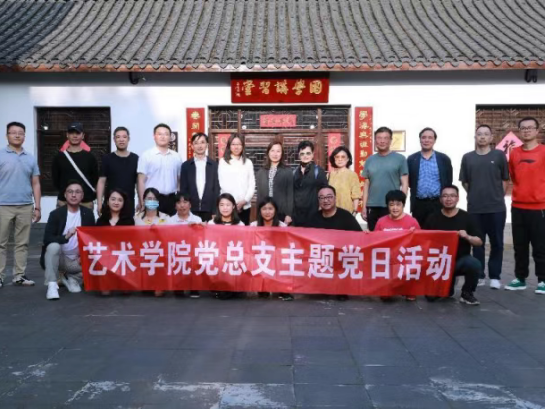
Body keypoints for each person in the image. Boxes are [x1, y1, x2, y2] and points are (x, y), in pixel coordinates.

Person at [460, 125, 509, 290]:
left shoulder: (499, 155)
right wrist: (474, 194)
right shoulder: (468, 157)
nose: (482, 137)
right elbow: (465, 182)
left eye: (486, 134)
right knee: (477, 243)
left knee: (497, 243)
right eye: (479, 134)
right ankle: (479, 274)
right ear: (475, 137)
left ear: (491, 137)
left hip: (496, 208)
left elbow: (505, 179)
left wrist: (497, 196)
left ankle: (495, 276)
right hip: (475, 208)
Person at [505, 117, 545, 294]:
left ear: (537, 130)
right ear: (519, 131)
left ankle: (542, 280)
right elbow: (514, 177)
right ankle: (520, 278)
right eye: (523, 128)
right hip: (518, 207)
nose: (527, 130)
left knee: (540, 246)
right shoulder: (514, 153)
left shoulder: (543, 151)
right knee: (519, 246)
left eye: (530, 128)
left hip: (540, 207)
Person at [424, 185, 483, 305]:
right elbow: (423, 240)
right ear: (440, 199)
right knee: (431, 297)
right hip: (439, 263)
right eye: (445, 196)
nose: (448, 199)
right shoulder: (432, 218)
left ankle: (467, 293)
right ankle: (448, 286)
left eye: (452, 196)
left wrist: (467, 236)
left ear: (457, 198)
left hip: (459, 261)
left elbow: (479, 241)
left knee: (474, 264)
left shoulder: (466, 217)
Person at [0, 122, 41, 288]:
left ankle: (19, 275)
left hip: (25, 205)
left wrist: (37, 206)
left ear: (24, 136)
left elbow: (36, 183)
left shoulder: (30, 158)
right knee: (1, 243)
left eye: (20, 133)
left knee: (22, 243)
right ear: (7, 135)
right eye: (13, 132)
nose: (17, 135)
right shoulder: (1, 155)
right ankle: (0, 276)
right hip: (3, 205)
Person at [306, 185, 362, 301]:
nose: (326, 200)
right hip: (322, 259)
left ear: (335, 198)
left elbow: (359, 237)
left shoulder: (346, 216)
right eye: (322, 198)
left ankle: (341, 289)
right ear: (318, 201)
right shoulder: (313, 218)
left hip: (341, 259)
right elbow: (304, 240)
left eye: (329, 197)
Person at [41, 181, 96, 300]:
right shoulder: (56, 214)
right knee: (53, 246)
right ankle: (52, 285)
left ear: (82, 196)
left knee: (98, 268)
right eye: (70, 192)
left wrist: (84, 256)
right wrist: (65, 237)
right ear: (65, 195)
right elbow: (47, 239)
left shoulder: (88, 214)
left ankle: (70, 277)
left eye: (77, 192)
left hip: (78, 260)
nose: (74, 195)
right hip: (60, 258)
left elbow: (92, 239)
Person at [374, 190, 420, 301]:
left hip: (405, 260)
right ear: (387, 206)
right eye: (391, 205)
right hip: (388, 260)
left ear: (403, 205)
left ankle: (409, 288)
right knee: (385, 297)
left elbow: (420, 243)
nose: (395, 208)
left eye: (398, 204)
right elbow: (374, 241)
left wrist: (414, 235)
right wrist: (367, 235)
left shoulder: (412, 222)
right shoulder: (381, 222)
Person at [362, 127, 408, 231]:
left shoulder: (400, 159)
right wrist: (364, 206)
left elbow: (405, 184)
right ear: (375, 141)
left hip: (391, 205)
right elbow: (366, 185)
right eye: (379, 138)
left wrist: (401, 204)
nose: (382, 141)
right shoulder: (370, 160)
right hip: (372, 205)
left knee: (391, 237)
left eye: (385, 138)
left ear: (391, 140)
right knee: (373, 237)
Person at [407, 127, 453, 227]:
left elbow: (448, 181)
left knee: (438, 232)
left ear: (434, 140)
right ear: (420, 140)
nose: (426, 140)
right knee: (420, 233)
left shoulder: (444, 159)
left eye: (430, 137)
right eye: (423, 137)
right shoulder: (411, 159)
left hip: (438, 203)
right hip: (419, 204)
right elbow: (410, 182)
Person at [137, 123, 182, 216]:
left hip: (172, 199)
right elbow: (141, 181)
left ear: (170, 137)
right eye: (159, 134)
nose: (163, 137)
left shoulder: (176, 157)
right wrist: (142, 201)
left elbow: (179, 181)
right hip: (152, 199)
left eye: (166, 134)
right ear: (154, 136)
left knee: (171, 223)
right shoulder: (146, 155)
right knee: (153, 223)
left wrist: (180, 200)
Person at [250, 197, 290, 300]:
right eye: (264, 209)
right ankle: (262, 286)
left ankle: (282, 288)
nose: (267, 212)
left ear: (275, 210)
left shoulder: (282, 226)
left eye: (270, 208)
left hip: (277, 258)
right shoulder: (253, 226)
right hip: (260, 258)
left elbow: (285, 247)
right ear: (260, 211)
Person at [52, 122, 98, 210]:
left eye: (78, 133)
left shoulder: (90, 157)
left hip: (86, 201)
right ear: (67, 135)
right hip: (64, 201)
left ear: (83, 135)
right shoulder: (59, 157)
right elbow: (55, 180)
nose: (75, 136)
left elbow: (95, 179)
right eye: (71, 133)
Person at [208, 193, 244, 300]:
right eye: (222, 205)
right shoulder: (212, 223)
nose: (225, 208)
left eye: (228, 205)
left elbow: (243, 244)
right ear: (218, 207)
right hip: (217, 256)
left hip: (234, 257)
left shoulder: (240, 224)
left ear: (233, 206)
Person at [96, 127, 139, 216]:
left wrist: (141, 201)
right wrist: (99, 203)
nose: (121, 140)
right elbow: (101, 181)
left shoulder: (135, 159)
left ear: (128, 139)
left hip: (129, 204)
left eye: (124, 137)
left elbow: (138, 183)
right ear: (114, 140)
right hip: (110, 203)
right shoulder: (107, 158)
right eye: (118, 137)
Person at [180, 133, 220, 222]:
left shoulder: (214, 165)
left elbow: (216, 189)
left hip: (209, 210)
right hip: (191, 210)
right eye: (196, 143)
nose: (199, 146)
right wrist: (185, 208)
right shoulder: (186, 166)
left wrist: (215, 210)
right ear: (192, 146)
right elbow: (183, 190)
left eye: (202, 142)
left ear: (207, 145)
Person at [218, 134, 255, 225]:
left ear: (242, 146)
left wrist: (244, 201)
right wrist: (231, 203)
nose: (236, 147)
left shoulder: (248, 163)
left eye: (239, 144)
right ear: (229, 146)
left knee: (243, 231)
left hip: (245, 206)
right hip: (228, 207)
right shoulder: (223, 162)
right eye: (233, 144)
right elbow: (222, 184)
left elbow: (252, 184)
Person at [256, 141, 294, 225]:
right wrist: (258, 215)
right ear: (268, 152)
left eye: (278, 151)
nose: (275, 154)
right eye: (272, 151)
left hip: (281, 212)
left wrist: (289, 214)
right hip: (265, 212)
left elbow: (290, 194)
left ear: (282, 154)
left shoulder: (287, 171)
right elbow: (259, 196)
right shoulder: (261, 172)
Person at [293, 141, 328, 225]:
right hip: (296, 216)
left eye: (308, 153)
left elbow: (325, 192)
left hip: (313, 215)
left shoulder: (318, 171)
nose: (305, 156)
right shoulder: (294, 172)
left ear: (312, 154)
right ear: (299, 155)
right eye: (302, 154)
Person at [327, 146, 361, 215]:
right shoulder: (329, 175)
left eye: (343, 157)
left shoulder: (352, 175)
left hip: (347, 212)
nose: (340, 159)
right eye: (337, 157)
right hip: (330, 212)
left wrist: (354, 211)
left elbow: (356, 196)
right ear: (334, 158)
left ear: (348, 159)